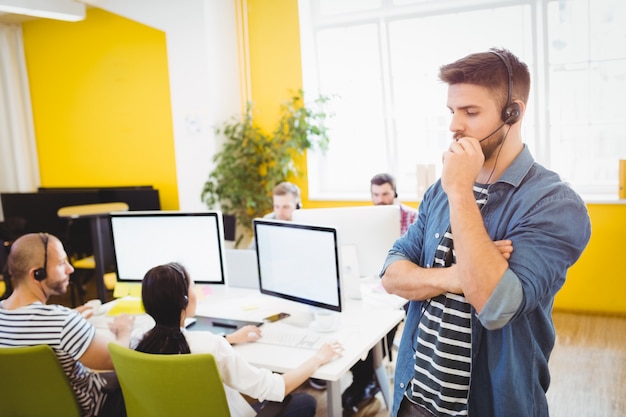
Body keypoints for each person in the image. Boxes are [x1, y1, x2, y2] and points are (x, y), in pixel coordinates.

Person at [380, 48, 591, 417]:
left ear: (514, 113)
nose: (454, 126)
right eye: (452, 112)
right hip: (415, 398)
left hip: (491, 406)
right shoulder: (438, 192)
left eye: (470, 112)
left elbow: (496, 306)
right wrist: (455, 276)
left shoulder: (555, 204)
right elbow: (391, 273)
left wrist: (461, 192)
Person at [133, 262, 343, 417]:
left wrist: (229, 338)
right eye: (193, 287)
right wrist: (318, 358)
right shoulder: (210, 346)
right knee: (305, 402)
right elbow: (275, 387)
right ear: (185, 300)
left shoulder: (137, 341)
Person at [0, 233, 134, 417]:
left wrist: (73, 321)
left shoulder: (59, 321)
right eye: (62, 263)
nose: (70, 269)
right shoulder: (62, 322)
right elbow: (117, 361)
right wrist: (124, 330)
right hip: (96, 409)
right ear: (37, 274)